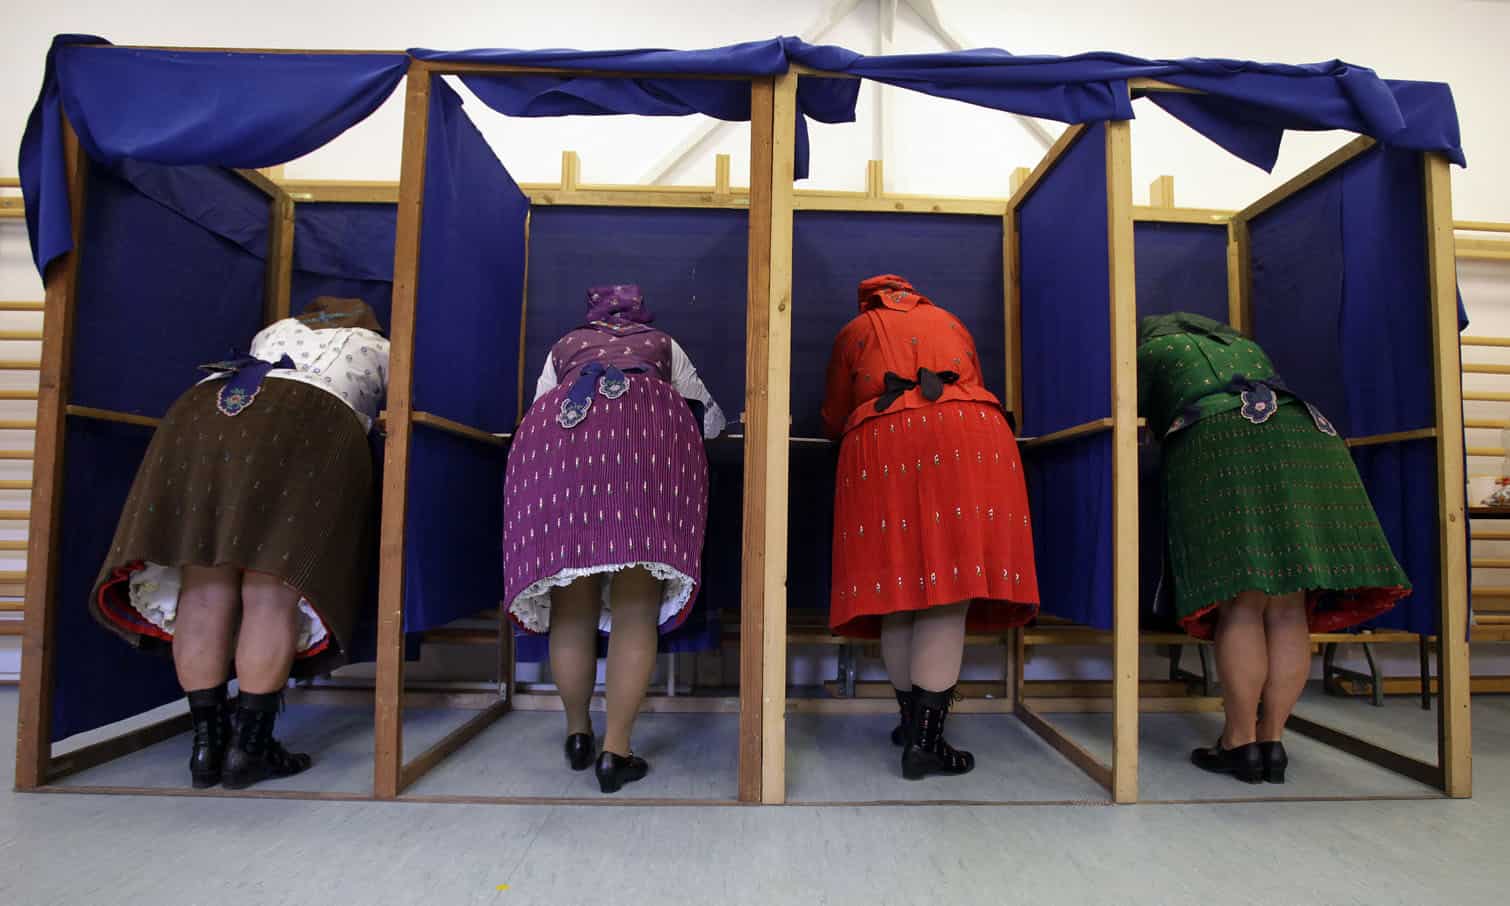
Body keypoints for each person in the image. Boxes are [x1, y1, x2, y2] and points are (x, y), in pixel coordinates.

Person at [91, 296, 388, 790]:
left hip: (203, 409)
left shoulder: (270, 333)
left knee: (203, 582)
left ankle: (206, 748)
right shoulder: (380, 347)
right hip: (304, 416)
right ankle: (249, 750)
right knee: (272, 588)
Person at [1138, 312, 1410, 784]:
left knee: (1241, 603)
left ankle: (1238, 743)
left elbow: (1138, 422)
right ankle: (1273, 743)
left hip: (1224, 435)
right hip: (1307, 432)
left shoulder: (1147, 351)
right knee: (1287, 607)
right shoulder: (1243, 345)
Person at [504, 284, 725, 794]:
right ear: (641, 313)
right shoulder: (664, 344)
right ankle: (616, 751)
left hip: (561, 458)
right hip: (644, 458)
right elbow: (709, 420)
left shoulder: (564, 347)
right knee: (635, 611)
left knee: (571, 610)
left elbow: (537, 407)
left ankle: (578, 734)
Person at [821, 274, 1039, 780]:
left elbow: (834, 413)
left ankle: (913, 728)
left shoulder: (855, 329)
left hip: (881, 438)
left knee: (898, 589)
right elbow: (974, 380)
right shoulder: (950, 320)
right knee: (947, 590)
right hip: (969, 435)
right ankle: (925, 740)